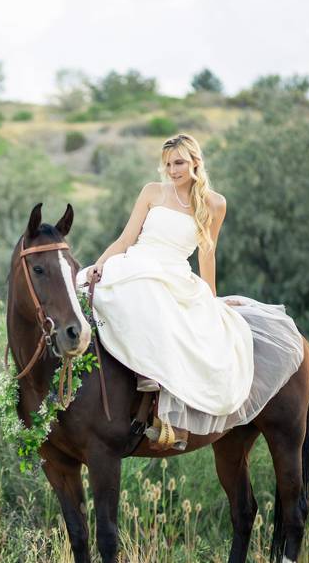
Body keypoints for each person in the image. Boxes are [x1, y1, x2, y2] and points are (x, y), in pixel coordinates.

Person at [75, 134, 255, 449]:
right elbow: (125, 239)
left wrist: (211, 299)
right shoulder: (152, 192)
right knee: (84, 293)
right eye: (168, 164)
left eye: (180, 163)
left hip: (173, 272)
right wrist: (100, 265)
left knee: (158, 303)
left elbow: (206, 254)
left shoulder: (214, 203)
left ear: (195, 162)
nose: (173, 170)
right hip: (136, 261)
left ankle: (159, 396)